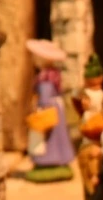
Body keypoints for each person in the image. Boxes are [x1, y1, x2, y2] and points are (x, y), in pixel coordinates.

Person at [25, 39, 76, 176]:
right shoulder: (53, 74)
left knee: (49, 136)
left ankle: (49, 159)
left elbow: (45, 96)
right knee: (58, 135)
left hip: (49, 110)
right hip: (56, 108)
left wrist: (40, 107)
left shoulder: (45, 77)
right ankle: (58, 157)